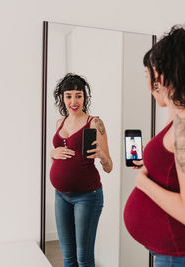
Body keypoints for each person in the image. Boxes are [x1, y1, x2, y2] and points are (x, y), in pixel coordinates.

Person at [124, 25, 185, 267]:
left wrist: (143, 183)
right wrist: (155, 167)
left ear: (159, 76)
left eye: (148, 76)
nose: (148, 86)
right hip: (180, 254)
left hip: (183, 256)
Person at [49, 73, 113, 267]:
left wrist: (101, 155)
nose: (74, 101)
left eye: (78, 95)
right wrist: (53, 153)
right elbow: (56, 161)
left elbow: (109, 166)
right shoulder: (59, 123)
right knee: (68, 257)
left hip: (87, 196)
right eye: (69, 96)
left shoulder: (94, 123)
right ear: (62, 98)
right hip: (61, 196)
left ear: (85, 97)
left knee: (83, 258)